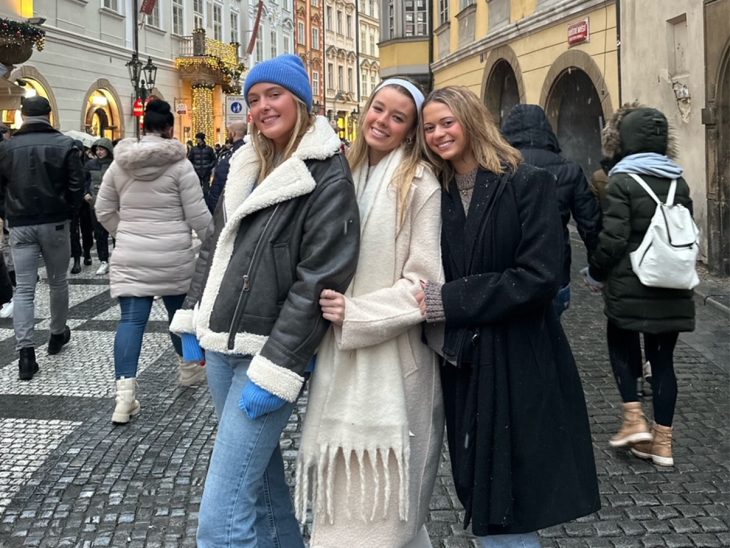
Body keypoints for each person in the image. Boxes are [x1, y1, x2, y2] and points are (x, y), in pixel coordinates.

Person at [169, 54, 360, 547]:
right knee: (264, 493)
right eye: (253, 99)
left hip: (263, 358)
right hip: (219, 350)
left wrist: (280, 368)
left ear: (299, 101)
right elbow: (214, 247)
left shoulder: (327, 173)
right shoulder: (245, 164)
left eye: (273, 95)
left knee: (222, 519)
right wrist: (192, 323)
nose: (261, 107)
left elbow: (317, 281)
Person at [417, 86, 600, 546]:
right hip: (461, 360)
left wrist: (450, 300)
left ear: (472, 120)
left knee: (508, 497)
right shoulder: (432, 192)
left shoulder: (526, 181)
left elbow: (539, 275)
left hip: (518, 358)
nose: (438, 134)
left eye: (447, 122)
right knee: (476, 484)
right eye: (429, 127)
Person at [296, 78, 444, 546]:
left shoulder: (419, 183)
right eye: (378, 109)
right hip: (339, 363)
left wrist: (355, 312)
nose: (382, 121)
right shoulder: (341, 174)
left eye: (398, 117)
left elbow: (425, 284)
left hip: (396, 362)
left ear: (410, 130)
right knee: (375, 518)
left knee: (386, 515)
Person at [585, 104, 695, 467]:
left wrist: (596, 271)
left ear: (623, 141)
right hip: (672, 284)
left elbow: (613, 239)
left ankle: (634, 420)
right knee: (663, 361)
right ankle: (663, 443)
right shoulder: (678, 180)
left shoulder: (622, 180)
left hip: (630, 283)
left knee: (622, 344)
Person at [94, 99, 213, 425]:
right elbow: (198, 215)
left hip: (131, 254)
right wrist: (212, 244)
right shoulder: (180, 166)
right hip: (173, 254)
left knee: (131, 321)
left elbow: (103, 211)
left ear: (143, 127)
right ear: (170, 129)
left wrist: (127, 233)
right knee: (180, 314)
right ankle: (189, 369)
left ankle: (124, 398)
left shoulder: (119, 166)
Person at [0, 96, 84, 380]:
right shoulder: (64, 145)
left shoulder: (6, 148)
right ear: (49, 115)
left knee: (24, 288)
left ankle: (25, 354)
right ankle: (57, 334)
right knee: (57, 281)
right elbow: (76, 185)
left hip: (20, 224)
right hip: (55, 222)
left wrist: (8, 212)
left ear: (23, 116)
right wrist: (70, 213)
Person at [501, 104, 602, 317]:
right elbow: (591, 226)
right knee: (550, 337)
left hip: (507, 271)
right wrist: (597, 271)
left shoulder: (499, 167)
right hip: (554, 270)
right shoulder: (569, 169)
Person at [83, 138, 113, 275]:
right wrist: (86, 193)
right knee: (100, 234)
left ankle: (118, 261)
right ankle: (103, 261)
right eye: (97, 150)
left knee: (116, 233)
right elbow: (84, 181)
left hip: (113, 205)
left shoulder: (115, 165)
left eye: (102, 149)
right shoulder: (90, 164)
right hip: (95, 204)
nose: (99, 152)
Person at [205, 120, 246, 213]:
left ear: (233, 133)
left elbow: (218, 187)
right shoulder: (248, 151)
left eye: (228, 132)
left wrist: (213, 208)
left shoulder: (231, 157)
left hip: (226, 208)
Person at [69, 140, 94, 274]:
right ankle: (77, 259)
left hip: (85, 202)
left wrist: (87, 193)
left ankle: (88, 252)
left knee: (86, 229)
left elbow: (90, 181)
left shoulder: (88, 164)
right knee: (73, 232)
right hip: (72, 203)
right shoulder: (67, 163)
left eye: (78, 150)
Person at [187, 131, 217, 196]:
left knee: (206, 190)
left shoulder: (209, 149)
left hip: (206, 172)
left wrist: (209, 166)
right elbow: (189, 160)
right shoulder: (193, 149)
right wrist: (194, 167)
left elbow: (214, 160)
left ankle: (207, 203)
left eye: (198, 138)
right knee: (197, 191)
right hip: (197, 172)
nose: (197, 140)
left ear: (202, 139)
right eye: (196, 138)